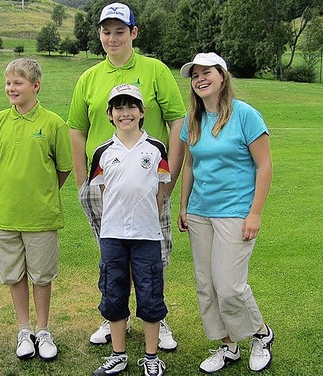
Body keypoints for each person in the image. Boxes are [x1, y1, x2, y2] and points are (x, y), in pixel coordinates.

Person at [67, 1, 186, 352]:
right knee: (112, 257)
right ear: (100, 35)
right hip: (103, 186)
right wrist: (82, 182)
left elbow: (178, 122)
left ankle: (156, 318)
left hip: (150, 184)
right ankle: (114, 315)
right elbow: (76, 130)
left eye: (120, 31)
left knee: (153, 258)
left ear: (134, 33)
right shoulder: (89, 78)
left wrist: (170, 182)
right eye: (106, 32)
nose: (113, 38)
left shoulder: (155, 70)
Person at [177, 52, 275, 373]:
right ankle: (227, 345)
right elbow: (190, 164)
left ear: (222, 76)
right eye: (195, 75)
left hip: (235, 212)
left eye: (207, 72)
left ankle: (260, 334)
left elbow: (264, 165)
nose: (200, 78)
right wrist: (183, 206)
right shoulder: (193, 119)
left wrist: (255, 213)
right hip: (200, 213)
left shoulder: (246, 115)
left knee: (229, 285)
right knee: (206, 284)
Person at [0, 58, 72, 362]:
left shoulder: (53, 123)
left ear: (35, 86)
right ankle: (24, 330)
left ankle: (42, 329)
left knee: (42, 276)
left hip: (41, 217)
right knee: (14, 276)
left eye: (18, 83)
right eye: (8, 83)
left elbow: (63, 169)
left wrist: (43, 192)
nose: (11, 88)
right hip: (7, 216)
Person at [90, 84, 169, 376]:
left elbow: (160, 193)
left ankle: (150, 357)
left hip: (147, 236)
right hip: (112, 236)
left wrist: (146, 221)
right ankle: (118, 355)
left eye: (131, 106)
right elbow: (102, 192)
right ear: (110, 115)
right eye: (118, 108)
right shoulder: (102, 152)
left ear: (142, 111)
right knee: (113, 293)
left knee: (150, 295)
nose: (125, 113)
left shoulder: (156, 149)